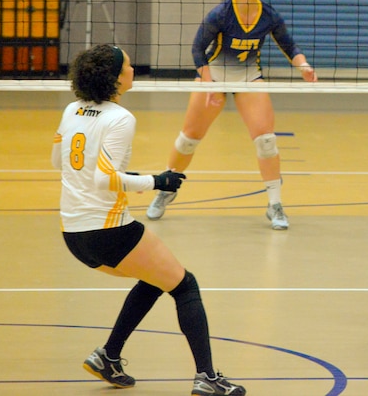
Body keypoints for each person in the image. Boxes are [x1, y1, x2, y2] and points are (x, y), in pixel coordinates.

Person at [55, 44, 245, 395]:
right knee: (185, 284)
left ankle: (108, 357)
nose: (132, 68)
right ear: (114, 78)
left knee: (157, 277)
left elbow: (59, 161)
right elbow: (103, 178)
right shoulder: (120, 118)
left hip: (73, 233)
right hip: (109, 231)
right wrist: (156, 181)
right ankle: (207, 378)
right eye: (127, 64)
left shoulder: (71, 110)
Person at [146, 0, 316, 230]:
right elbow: (197, 49)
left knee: (266, 141)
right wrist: (209, 85)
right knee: (188, 140)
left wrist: (303, 66)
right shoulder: (221, 14)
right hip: (212, 74)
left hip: (248, 77)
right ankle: (167, 189)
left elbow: (289, 44)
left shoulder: (268, 15)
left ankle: (274, 205)